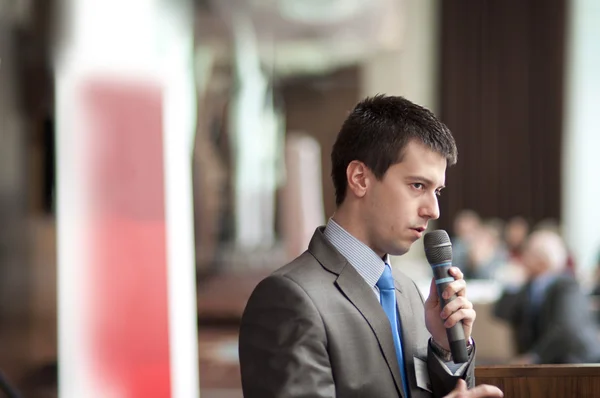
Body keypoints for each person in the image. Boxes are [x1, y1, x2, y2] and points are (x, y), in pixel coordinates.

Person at [239, 95, 503, 398]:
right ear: (360, 178)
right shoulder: (289, 298)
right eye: (418, 186)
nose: (433, 210)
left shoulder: (409, 293)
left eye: (437, 191)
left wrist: (444, 349)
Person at [494, 230, 600, 364]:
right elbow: (500, 313)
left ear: (543, 260)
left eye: (528, 252)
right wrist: (512, 284)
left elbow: (565, 329)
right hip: (546, 365)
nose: (523, 257)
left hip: (578, 363)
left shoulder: (567, 286)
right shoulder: (528, 287)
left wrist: (535, 357)